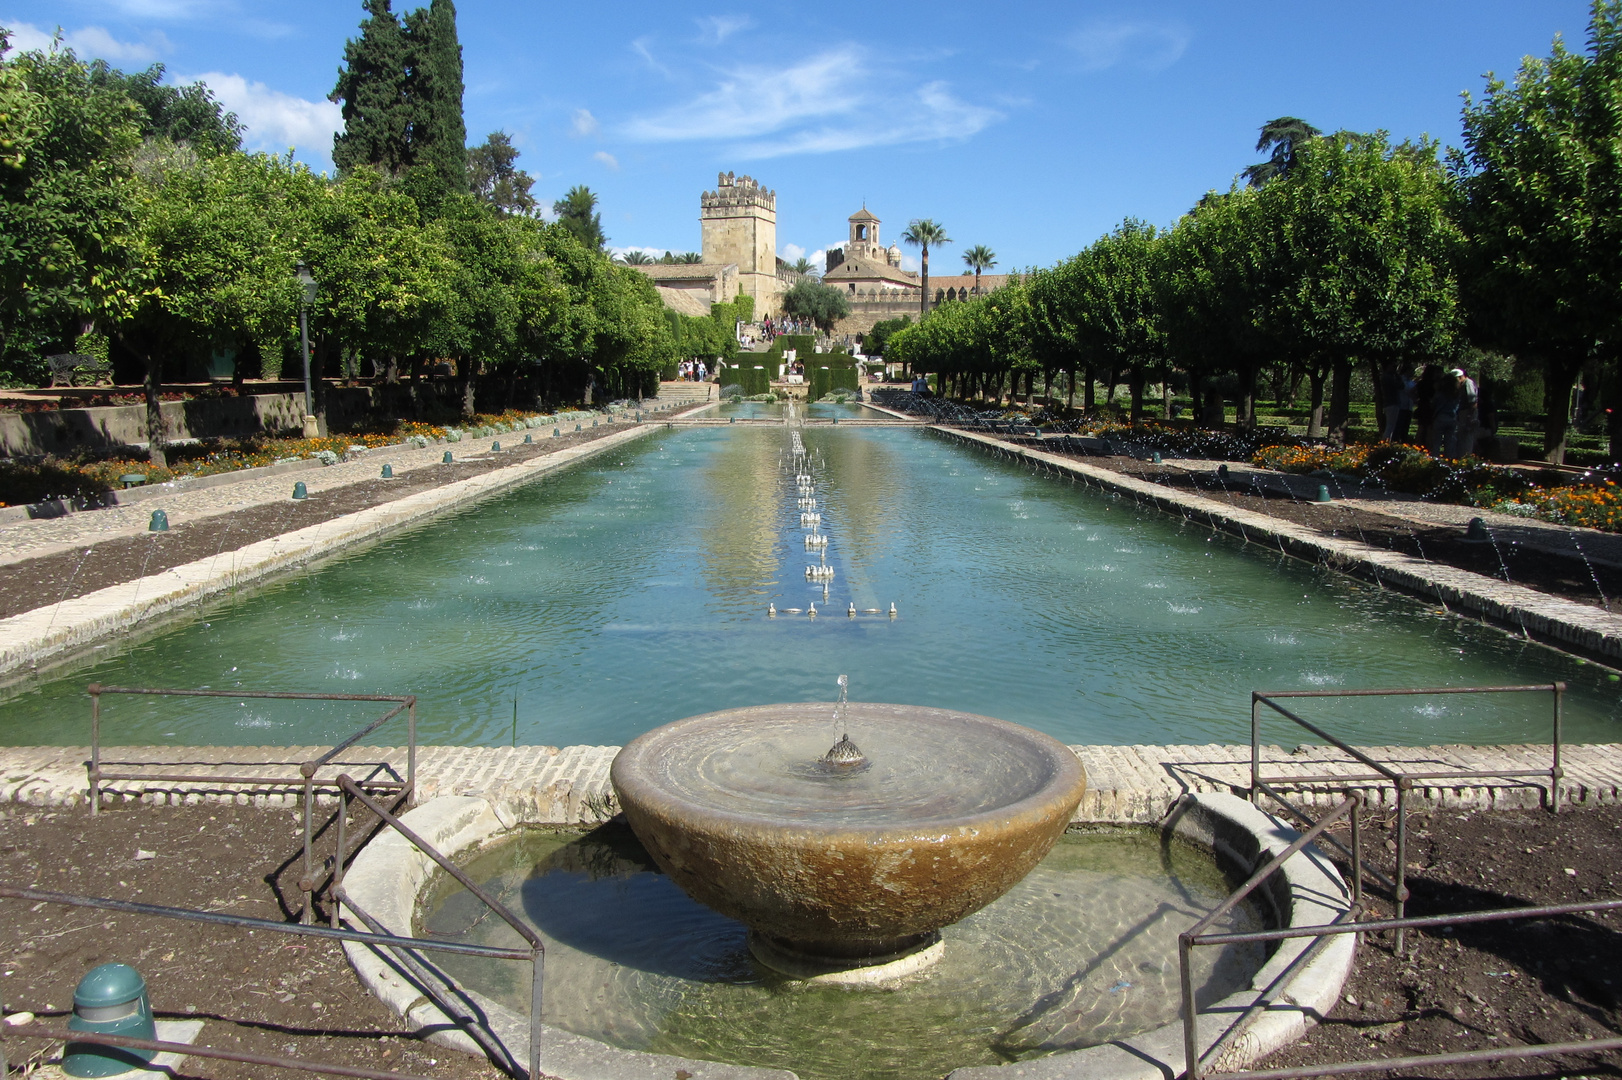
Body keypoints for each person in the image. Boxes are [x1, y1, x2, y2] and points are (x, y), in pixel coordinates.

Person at [1449, 366, 1479, 458]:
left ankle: (1465, 457)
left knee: (1466, 437)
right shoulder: (1465, 383)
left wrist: (1469, 416)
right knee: (1462, 436)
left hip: (1467, 413)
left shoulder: (1468, 383)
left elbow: (1472, 401)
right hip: (1465, 412)